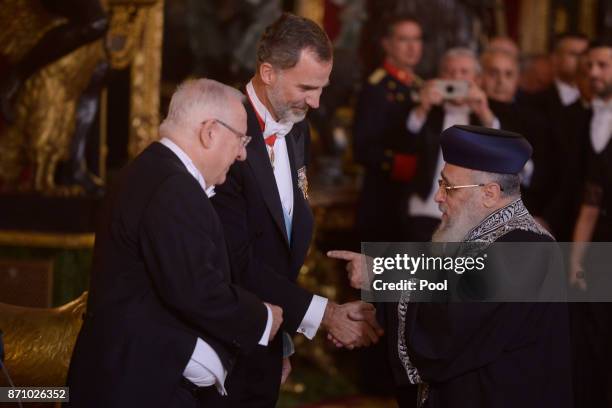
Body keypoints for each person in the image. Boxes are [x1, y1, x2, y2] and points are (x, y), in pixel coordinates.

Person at [66, 79, 284, 408]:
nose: (241, 153)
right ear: (210, 131)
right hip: (137, 386)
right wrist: (263, 318)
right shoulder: (172, 187)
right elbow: (196, 290)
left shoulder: (155, 171)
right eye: (240, 139)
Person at [332, 125, 573, 408]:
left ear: (490, 194)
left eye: (449, 187)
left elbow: (444, 327)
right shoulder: (481, 235)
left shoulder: (524, 248)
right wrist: (375, 313)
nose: (438, 197)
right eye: (440, 184)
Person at [211, 13, 382, 408]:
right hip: (225, 341)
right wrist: (325, 314)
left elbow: (281, 245)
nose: (316, 102)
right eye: (306, 87)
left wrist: (284, 335)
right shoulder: (223, 133)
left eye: (322, 88)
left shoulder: (297, 126)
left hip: (269, 338)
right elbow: (234, 261)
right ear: (268, 72)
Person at [406, 47, 500, 241]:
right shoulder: (430, 111)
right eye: (450, 72)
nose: (456, 77)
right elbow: (406, 139)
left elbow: (501, 152)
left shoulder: (484, 113)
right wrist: (423, 107)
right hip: (426, 207)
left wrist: (484, 112)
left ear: (477, 79)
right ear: (440, 77)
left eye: (464, 72)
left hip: (471, 214)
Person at [353, 14, 424, 243]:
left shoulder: (421, 86)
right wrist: (405, 165)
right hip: (383, 197)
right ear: (387, 44)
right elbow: (363, 148)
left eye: (417, 39)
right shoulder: (377, 87)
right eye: (404, 39)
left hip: (416, 198)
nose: (413, 47)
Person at [569, 39, 612, 408]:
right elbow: (589, 204)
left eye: (603, 65)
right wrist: (576, 258)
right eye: (589, 66)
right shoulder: (579, 118)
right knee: (591, 338)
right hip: (598, 250)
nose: (593, 73)